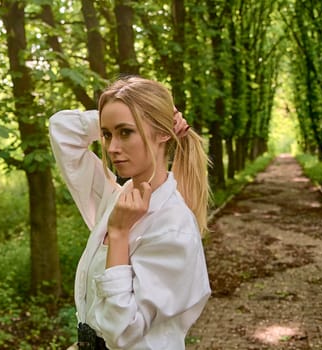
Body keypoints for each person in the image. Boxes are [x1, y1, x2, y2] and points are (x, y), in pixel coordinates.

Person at [49, 76, 211, 350]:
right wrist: (113, 113)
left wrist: (119, 233)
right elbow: (62, 130)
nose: (112, 148)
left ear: (162, 133)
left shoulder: (172, 226)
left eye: (125, 132)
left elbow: (123, 333)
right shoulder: (117, 197)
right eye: (107, 134)